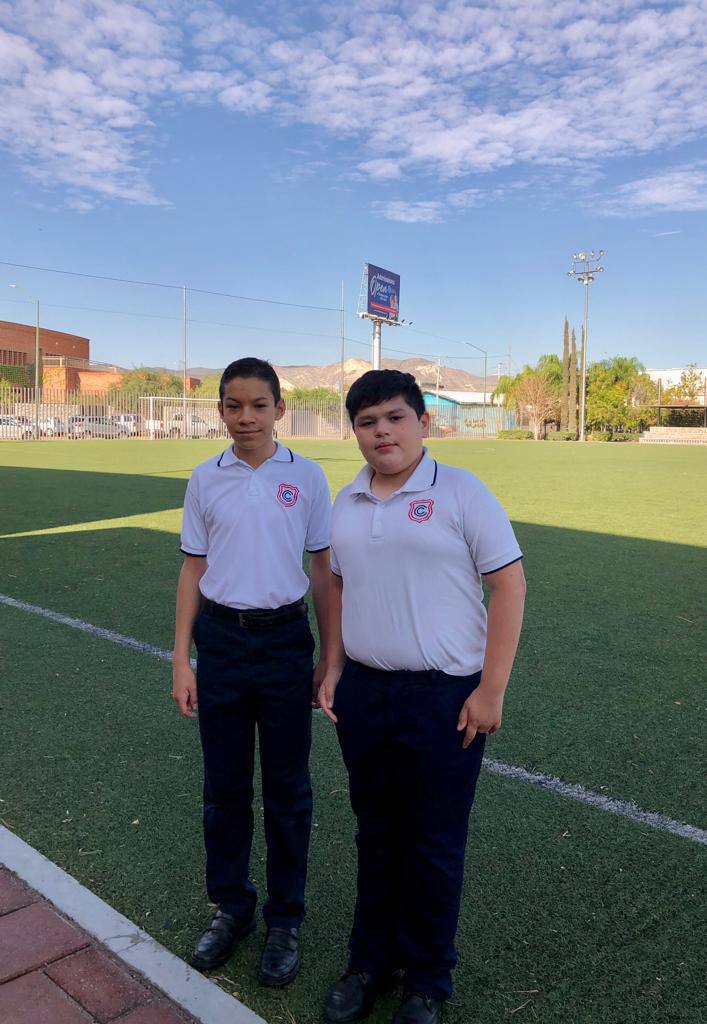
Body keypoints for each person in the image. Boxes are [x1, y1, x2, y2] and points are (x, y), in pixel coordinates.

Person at [319, 370, 526, 1024]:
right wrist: (333, 667)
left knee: (433, 843)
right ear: (354, 432)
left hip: (442, 698)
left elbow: (509, 586)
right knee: (376, 835)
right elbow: (337, 588)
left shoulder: (461, 491)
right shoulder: (346, 502)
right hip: (365, 693)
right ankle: (369, 963)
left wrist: (490, 689)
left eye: (394, 418)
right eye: (367, 422)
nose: (381, 432)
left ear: (423, 423)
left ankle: (427, 982)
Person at [172, 357, 331, 987]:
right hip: (221, 644)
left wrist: (331, 657)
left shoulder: (307, 476)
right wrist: (181, 658)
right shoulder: (204, 478)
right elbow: (192, 570)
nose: (246, 418)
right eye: (233, 406)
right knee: (225, 787)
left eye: (258, 406)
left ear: (278, 410)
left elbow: (323, 571)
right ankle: (232, 906)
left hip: (286, 642)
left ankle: (285, 918)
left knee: (288, 790)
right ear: (220, 411)